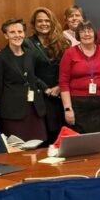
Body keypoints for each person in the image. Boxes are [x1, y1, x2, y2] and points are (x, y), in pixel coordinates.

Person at [0, 19, 47, 142]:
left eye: (20, 31)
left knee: (38, 144)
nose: (17, 35)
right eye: (12, 32)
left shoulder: (30, 55)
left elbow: (32, 78)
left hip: (34, 109)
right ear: (6, 35)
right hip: (13, 112)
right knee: (17, 148)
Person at [59, 21, 100, 137]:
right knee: (80, 140)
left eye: (89, 31)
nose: (86, 34)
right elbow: (63, 82)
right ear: (78, 35)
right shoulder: (69, 53)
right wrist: (67, 109)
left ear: (94, 34)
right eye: (82, 31)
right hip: (78, 105)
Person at [24, 7, 70, 143]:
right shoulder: (27, 43)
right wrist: (46, 88)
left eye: (47, 21)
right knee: (44, 136)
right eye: (40, 21)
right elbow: (27, 70)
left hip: (60, 94)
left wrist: (59, 87)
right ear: (34, 23)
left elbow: (67, 68)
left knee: (61, 134)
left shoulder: (61, 41)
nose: (44, 24)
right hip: (40, 95)